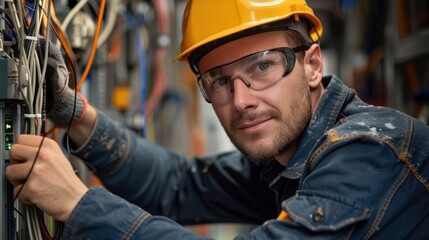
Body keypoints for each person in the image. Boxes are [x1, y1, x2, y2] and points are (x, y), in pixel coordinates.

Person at [6, 0, 429, 239]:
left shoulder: (369, 154)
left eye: (262, 66)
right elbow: (178, 185)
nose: (240, 100)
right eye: (220, 80)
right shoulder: (290, 153)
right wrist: (74, 112)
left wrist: (79, 205)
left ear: (312, 64)